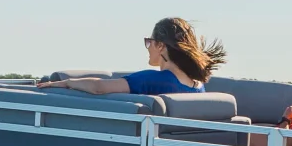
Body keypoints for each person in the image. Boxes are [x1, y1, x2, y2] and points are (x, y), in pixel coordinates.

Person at [50, 18, 226, 96]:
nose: (148, 48)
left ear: (160, 46)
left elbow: (99, 87)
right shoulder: (198, 86)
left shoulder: (153, 80)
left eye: (149, 42)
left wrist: (67, 82)